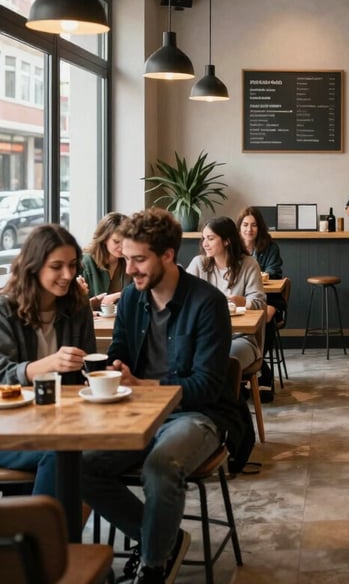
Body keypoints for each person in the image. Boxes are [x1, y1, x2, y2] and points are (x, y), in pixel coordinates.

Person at [81, 208, 241, 584]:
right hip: (137, 413)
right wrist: (113, 369)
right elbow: (120, 348)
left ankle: (153, 567)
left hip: (196, 416)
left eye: (139, 260)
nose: (130, 269)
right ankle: (160, 540)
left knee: (161, 466)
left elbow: (207, 387)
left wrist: (143, 386)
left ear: (168, 255)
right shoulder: (133, 300)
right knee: (79, 465)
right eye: (127, 259)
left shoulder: (208, 304)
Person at [0, 224, 95, 496]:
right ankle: (45, 537)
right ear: (34, 266)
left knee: (78, 455)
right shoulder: (5, 309)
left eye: (73, 265)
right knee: (62, 455)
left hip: (60, 425)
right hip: (9, 428)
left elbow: (86, 370)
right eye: (57, 266)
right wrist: (45, 365)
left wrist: (102, 372)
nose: (68, 275)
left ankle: (43, 536)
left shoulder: (77, 307)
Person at [186, 216, 266, 369]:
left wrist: (240, 301)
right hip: (204, 337)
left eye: (210, 238)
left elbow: (260, 303)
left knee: (218, 360)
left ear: (226, 241)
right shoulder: (199, 263)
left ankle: (230, 392)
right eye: (203, 239)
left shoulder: (249, 264)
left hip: (240, 338)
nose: (205, 244)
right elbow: (183, 297)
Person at [237, 205, 284, 325]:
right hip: (239, 295)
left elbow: (273, 273)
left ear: (260, 228)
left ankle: (264, 344)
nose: (249, 229)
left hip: (268, 296)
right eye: (245, 225)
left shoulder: (271, 247)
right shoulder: (233, 248)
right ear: (239, 227)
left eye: (254, 225)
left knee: (263, 316)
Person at [79, 211, 130, 311]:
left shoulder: (128, 263)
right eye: (116, 241)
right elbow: (74, 307)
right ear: (104, 238)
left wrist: (120, 295)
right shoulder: (85, 263)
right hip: (95, 324)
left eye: (126, 241)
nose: (122, 247)